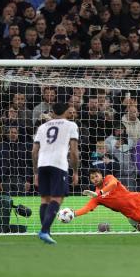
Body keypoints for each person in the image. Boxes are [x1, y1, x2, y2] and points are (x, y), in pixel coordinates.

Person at [32, 103, 80, 245]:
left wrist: (35, 172)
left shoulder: (42, 127)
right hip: (58, 164)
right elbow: (73, 151)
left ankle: (46, 232)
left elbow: (34, 151)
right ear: (66, 112)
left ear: (52, 112)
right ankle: (45, 231)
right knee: (57, 198)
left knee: (45, 199)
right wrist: (75, 171)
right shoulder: (71, 126)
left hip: (42, 164)